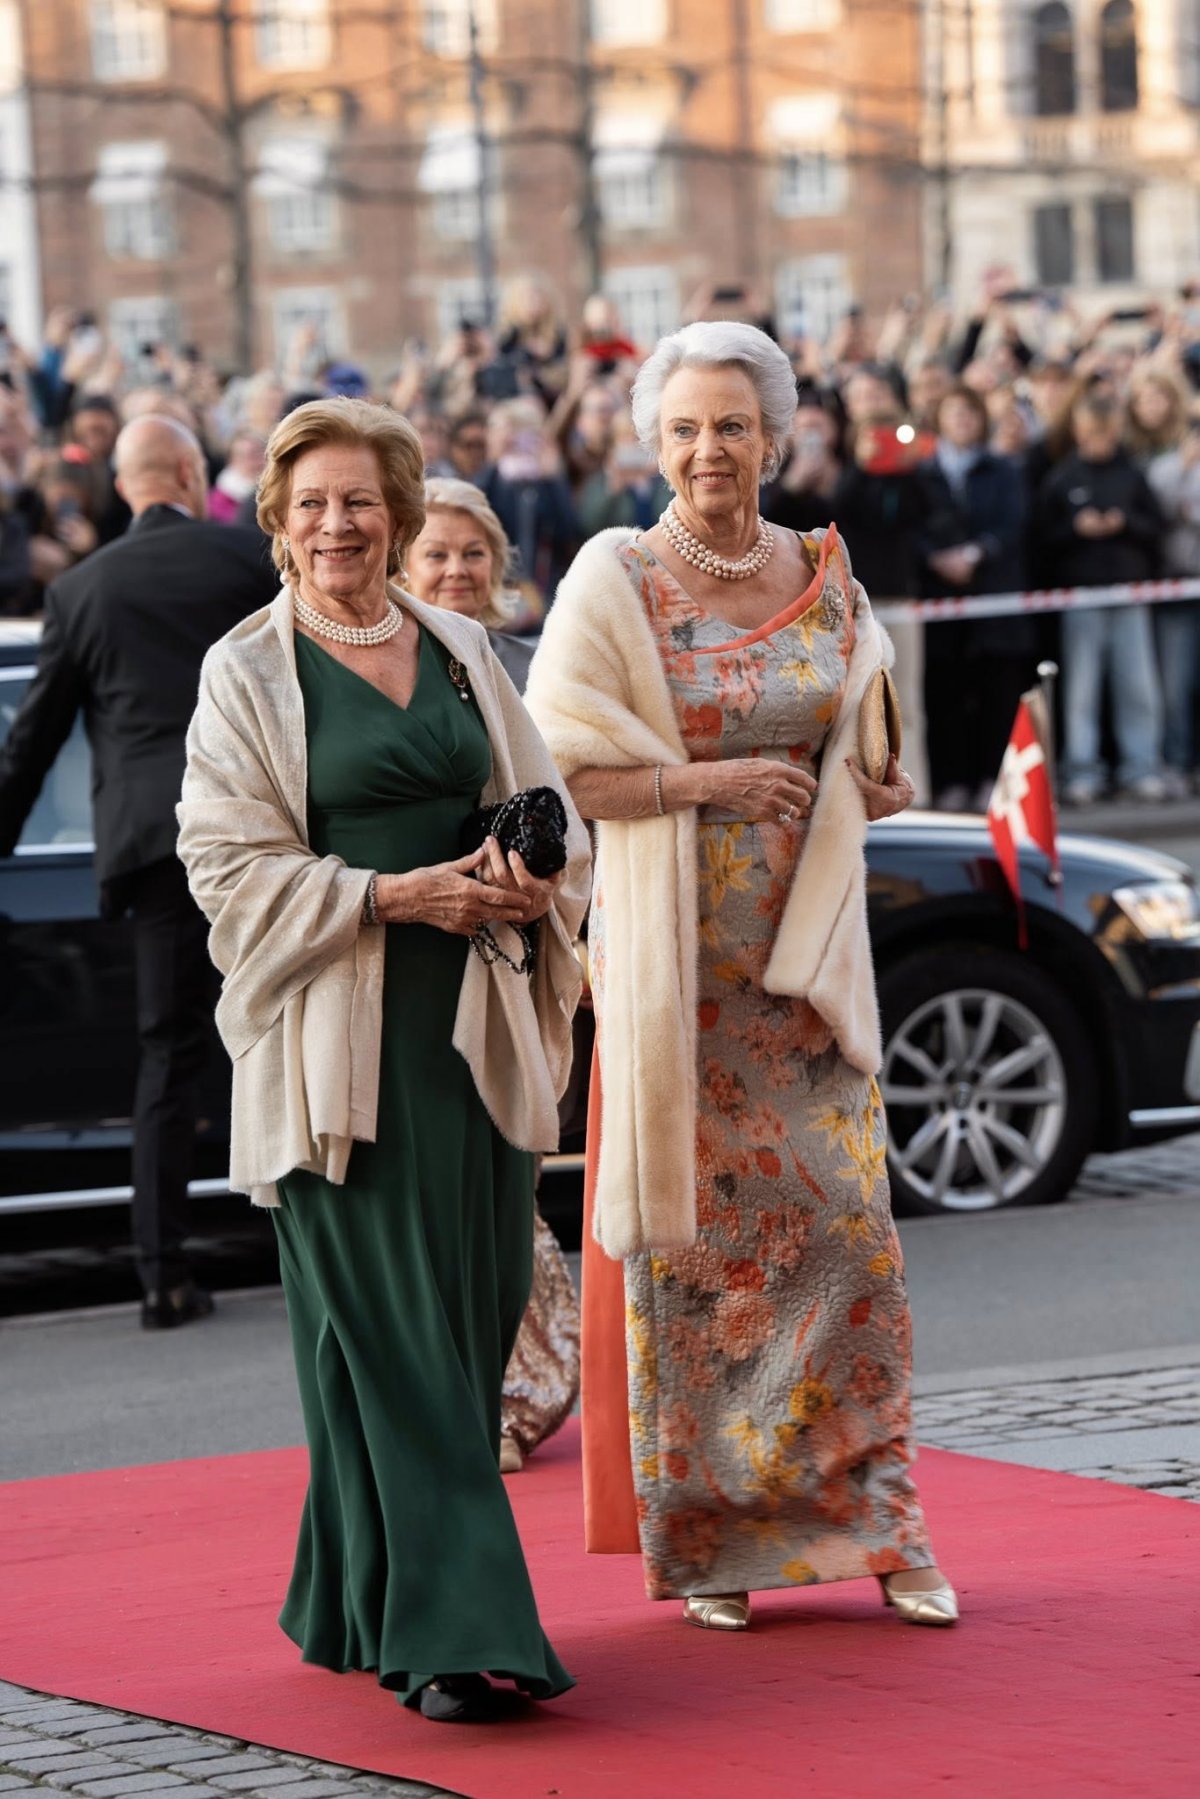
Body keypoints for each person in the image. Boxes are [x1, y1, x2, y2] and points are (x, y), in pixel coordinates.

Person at [526, 321, 957, 1634]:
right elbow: (555, 776)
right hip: (678, 981)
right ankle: (712, 1541)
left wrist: (873, 783)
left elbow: (880, 745)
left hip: (811, 969)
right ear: (652, 445)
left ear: (778, 436)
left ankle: (883, 1526)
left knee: (849, 1242)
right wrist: (703, 780)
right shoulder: (617, 578)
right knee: (704, 1270)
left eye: (732, 425)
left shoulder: (829, 572)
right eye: (685, 428)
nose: (709, 450)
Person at [176, 398, 589, 1723]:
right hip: (338, 1054)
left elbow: (548, 814)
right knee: (397, 1336)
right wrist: (393, 895)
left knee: (455, 1331)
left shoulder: (463, 644)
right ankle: (459, 1633)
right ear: (279, 523)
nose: (338, 525)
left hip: (472, 1034)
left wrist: (528, 877)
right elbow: (226, 870)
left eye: (359, 501)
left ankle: (353, 1589)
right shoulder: (246, 673)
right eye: (311, 505)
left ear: (400, 514)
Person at [0, 416, 278, 1323]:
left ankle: (161, 1276)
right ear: (193, 476)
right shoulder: (245, 558)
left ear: (125, 488)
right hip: (251, 831)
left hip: (153, 847)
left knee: (168, 1051)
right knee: (269, 1036)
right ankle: (302, 1249)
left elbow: (32, 737)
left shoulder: (80, 588)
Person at [405, 476, 583, 1473]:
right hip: (415, 943)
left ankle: (517, 1393)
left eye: (473, 552)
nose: (456, 569)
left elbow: (570, 808)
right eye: (435, 552)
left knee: (505, 1175)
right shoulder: (376, 665)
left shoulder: (530, 668)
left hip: (515, 947)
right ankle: (457, 1397)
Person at [1037, 391, 1166, 803]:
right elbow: (1042, 538)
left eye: (1105, 433)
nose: (1099, 441)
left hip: (1128, 593)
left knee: (1138, 688)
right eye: (1091, 433)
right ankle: (1083, 771)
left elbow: (1155, 526)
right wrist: (1077, 528)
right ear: (1079, 432)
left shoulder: (1131, 475)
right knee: (1082, 692)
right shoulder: (1062, 478)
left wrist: (1124, 523)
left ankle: (1141, 766)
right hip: (1081, 596)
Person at [916, 384, 1030, 810]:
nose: (963, 420)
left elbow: (1012, 524)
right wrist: (935, 559)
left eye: (970, 412)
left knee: (996, 698)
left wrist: (976, 552)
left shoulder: (1002, 470)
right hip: (941, 606)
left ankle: (992, 781)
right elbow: (914, 529)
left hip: (994, 606)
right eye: (954, 412)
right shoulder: (923, 473)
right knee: (945, 697)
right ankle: (951, 783)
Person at [1146, 413, 1200, 796]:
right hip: (1176, 587)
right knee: (1175, 687)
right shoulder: (1165, 467)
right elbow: (1160, 512)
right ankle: (1178, 763)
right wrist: (1184, 468)